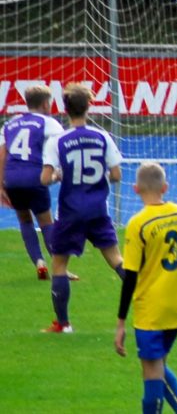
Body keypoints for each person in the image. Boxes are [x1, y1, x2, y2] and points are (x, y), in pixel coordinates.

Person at [115, 162, 177, 414]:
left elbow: (130, 277)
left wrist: (120, 322)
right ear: (165, 187)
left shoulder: (138, 224)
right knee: (157, 365)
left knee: (151, 374)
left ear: (135, 189)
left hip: (151, 311)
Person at [40, 83, 125, 333]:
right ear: (89, 107)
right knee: (117, 260)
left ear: (65, 109)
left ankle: (63, 324)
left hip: (70, 211)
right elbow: (117, 174)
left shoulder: (59, 141)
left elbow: (44, 179)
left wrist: (58, 175)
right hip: (98, 209)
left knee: (59, 266)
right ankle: (147, 306)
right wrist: (97, 178)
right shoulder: (102, 137)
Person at [0, 85, 71, 280]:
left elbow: (2, 154)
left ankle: (39, 262)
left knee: (24, 220)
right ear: (45, 103)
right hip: (35, 177)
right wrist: (60, 173)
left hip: (12, 179)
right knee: (46, 222)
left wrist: (0, 184)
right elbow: (61, 148)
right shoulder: (49, 123)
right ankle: (59, 267)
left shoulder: (10, 124)